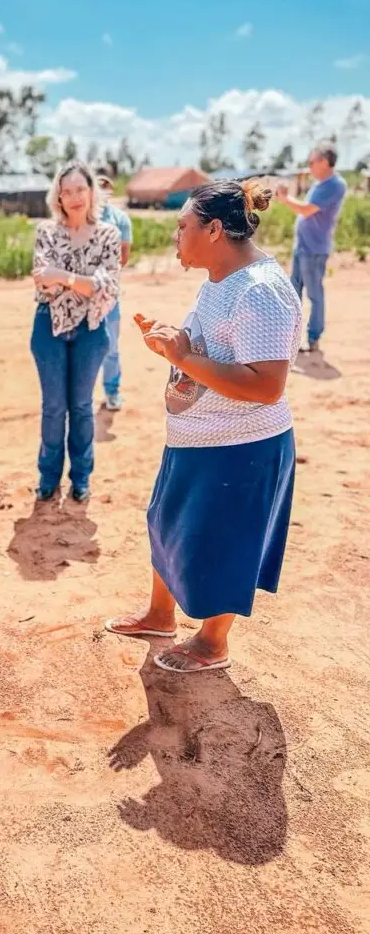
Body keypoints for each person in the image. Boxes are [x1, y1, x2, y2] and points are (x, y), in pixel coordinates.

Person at [105, 179, 301, 674]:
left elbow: (265, 386)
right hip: (198, 440)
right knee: (167, 524)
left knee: (224, 543)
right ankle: (159, 614)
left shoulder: (262, 292)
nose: (176, 235)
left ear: (214, 229)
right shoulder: (220, 279)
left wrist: (184, 356)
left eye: (182, 226)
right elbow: (207, 345)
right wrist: (174, 341)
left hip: (241, 448)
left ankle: (214, 642)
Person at [31, 161, 120, 502]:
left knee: (81, 406)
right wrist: (83, 282)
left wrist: (63, 276)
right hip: (48, 327)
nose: (73, 197)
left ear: (92, 192)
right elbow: (42, 284)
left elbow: (108, 287)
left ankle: (81, 478)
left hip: (92, 329)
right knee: (54, 406)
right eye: (66, 191)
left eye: (80, 189)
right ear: (58, 197)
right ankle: (48, 478)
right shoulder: (46, 232)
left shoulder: (108, 235)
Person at [276, 140, 347, 353]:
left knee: (314, 295)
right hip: (304, 247)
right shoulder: (321, 184)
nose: (309, 165)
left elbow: (306, 210)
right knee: (294, 293)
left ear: (324, 162)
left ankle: (313, 338)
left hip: (314, 250)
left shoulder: (334, 185)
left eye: (312, 161)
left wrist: (285, 198)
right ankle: (291, 339)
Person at [97, 174, 133, 412]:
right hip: (78, 295)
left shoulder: (120, 219)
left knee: (110, 347)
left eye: (105, 188)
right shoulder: (78, 218)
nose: (102, 191)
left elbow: (124, 256)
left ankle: (112, 392)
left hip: (109, 294)